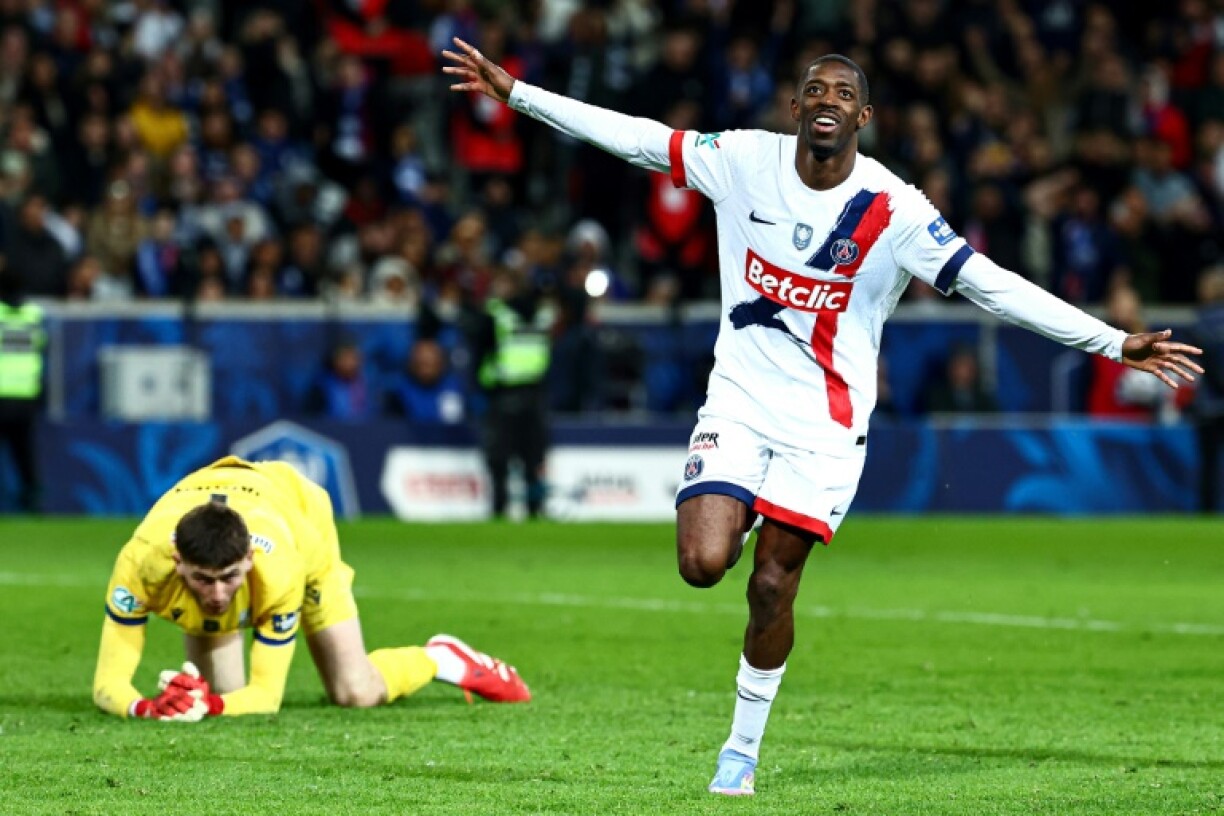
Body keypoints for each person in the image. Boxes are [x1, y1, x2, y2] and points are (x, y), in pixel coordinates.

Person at [441, 40, 1204, 795]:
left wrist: (1112, 341)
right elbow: (637, 138)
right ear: (795, 107)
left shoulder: (893, 209)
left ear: (864, 116)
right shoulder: (743, 160)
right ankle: (739, 508)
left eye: (843, 93)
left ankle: (740, 752)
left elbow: (992, 285)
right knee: (701, 564)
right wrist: (517, 94)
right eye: (815, 90)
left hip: (826, 426)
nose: (827, 101)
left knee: (772, 586)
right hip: (740, 400)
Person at [92, 455, 530, 720]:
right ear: (177, 562)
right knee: (220, 698)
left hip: (300, 517)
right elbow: (107, 684)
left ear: (249, 560)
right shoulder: (140, 564)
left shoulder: (279, 569)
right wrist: (145, 707)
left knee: (355, 692)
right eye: (203, 580)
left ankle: (440, 658)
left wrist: (213, 705)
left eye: (230, 578)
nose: (219, 593)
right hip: (226, 499)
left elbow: (266, 697)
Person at [469, 266, 553, 519]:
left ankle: (507, 510)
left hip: (507, 393)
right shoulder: (540, 314)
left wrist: (481, 380)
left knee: (509, 458)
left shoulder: (496, 315)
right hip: (528, 393)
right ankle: (526, 510)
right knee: (526, 458)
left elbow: (478, 349)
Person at [0, 263, 46, 512]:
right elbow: (43, 346)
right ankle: (33, 500)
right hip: (26, 395)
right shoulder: (33, 315)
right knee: (24, 454)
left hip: (2, 394)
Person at [1189, 267, 1224, 512]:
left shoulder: (1200, 323)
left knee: (1208, 464)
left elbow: (1197, 366)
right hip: (1212, 401)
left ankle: (1207, 511)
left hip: (1209, 405)